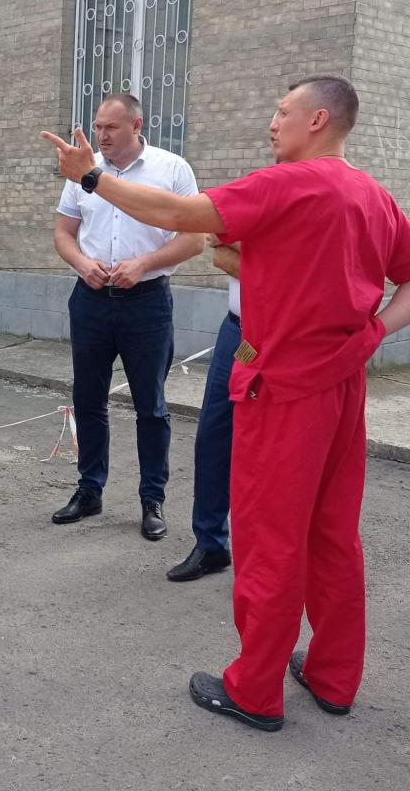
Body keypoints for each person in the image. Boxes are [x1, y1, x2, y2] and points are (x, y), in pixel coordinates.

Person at [43, 75, 410, 732]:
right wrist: (377, 330)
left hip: (285, 385)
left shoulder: (287, 184)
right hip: (342, 382)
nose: (272, 123)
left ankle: (256, 690)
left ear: (317, 120)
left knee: (271, 538)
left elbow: (177, 215)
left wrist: (91, 177)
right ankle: (334, 676)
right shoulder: (373, 197)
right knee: (333, 533)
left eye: (282, 111)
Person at [51, 94, 203, 540]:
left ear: (137, 125)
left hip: (147, 303)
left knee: (150, 406)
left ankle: (152, 499)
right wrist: (82, 264)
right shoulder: (84, 171)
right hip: (91, 300)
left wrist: (145, 264)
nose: (101, 136)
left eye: (111, 127)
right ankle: (89, 490)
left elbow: (195, 239)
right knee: (88, 399)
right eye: (98, 126)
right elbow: (63, 233)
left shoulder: (172, 169)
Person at [166, 236, 240, 581]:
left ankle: (273, 560)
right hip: (237, 330)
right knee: (213, 438)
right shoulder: (258, 199)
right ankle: (211, 543)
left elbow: (298, 261)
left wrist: (242, 248)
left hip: (288, 335)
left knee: (273, 454)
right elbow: (218, 248)